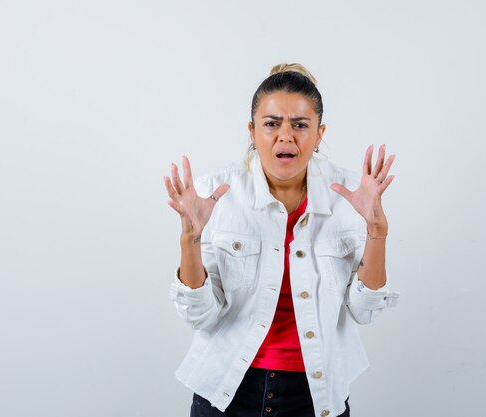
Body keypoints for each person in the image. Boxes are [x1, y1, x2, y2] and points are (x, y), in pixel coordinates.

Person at [164, 63, 400, 417]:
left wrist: (377, 233)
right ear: (253, 131)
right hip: (227, 390)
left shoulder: (352, 196)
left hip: (316, 394)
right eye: (272, 124)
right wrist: (189, 240)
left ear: (319, 135)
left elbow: (363, 311)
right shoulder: (215, 194)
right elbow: (201, 316)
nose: (285, 136)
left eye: (300, 125)